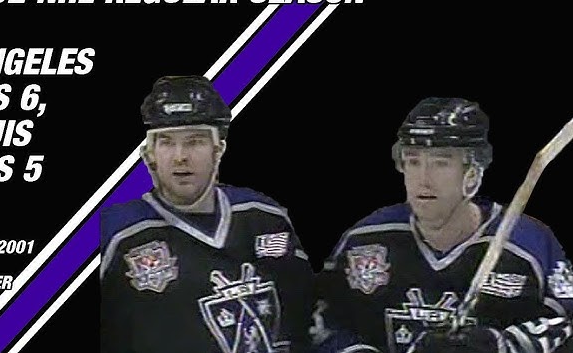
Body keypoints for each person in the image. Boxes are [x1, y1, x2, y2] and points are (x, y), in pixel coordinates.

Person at [311, 97, 572, 352]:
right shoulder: (366, 238)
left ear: (472, 173)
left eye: (441, 163)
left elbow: (567, 324)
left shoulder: (529, 244)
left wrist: (499, 345)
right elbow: (318, 321)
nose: (423, 179)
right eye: (413, 161)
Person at [100, 75, 315, 353]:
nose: (180, 157)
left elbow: (308, 312)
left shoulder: (263, 216)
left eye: (195, 141)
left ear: (219, 149)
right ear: (149, 153)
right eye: (166, 142)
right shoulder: (113, 233)